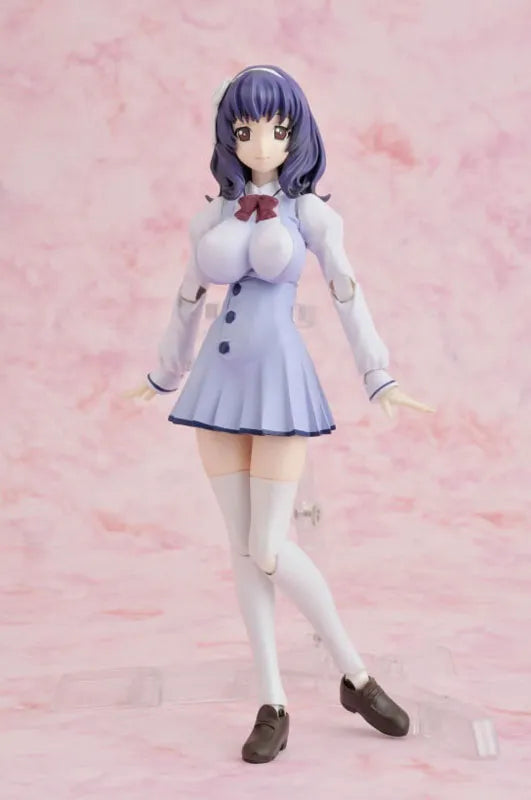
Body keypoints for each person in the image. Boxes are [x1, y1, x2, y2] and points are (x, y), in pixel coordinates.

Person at [125, 64, 435, 764]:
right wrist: (163, 375)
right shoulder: (214, 215)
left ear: (297, 133)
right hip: (216, 387)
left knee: (268, 547)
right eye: (244, 130)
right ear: (227, 137)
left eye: (276, 128)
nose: (261, 143)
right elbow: (187, 298)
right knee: (242, 551)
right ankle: (272, 702)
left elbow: (348, 293)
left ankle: (355, 674)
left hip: (280, 386)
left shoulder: (310, 215)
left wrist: (378, 375)